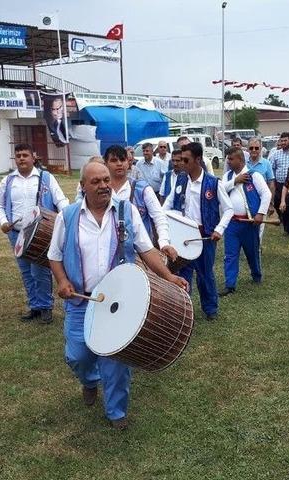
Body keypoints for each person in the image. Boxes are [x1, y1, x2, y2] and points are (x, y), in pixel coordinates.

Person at [48, 161, 188, 430]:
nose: (103, 186)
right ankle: (89, 380)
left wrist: (168, 277)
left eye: (106, 180)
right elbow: (54, 256)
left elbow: (146, 249)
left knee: (116, 359)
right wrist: (63, 280)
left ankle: (116, 411)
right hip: (81, 300)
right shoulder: (67, 216)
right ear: (82, 186)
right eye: (96, 182)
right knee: (77, 355)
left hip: (120, 300)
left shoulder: (127, 210)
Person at [0, 144, 69, 324]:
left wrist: (65, 220)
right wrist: (3, 222)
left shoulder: (46, 178)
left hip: (40, 233)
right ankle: (35, 306)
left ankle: (45, 307)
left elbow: (61, 200)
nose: (21, 158)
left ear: (33, 158)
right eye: (18, 155)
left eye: (25, 155)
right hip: (17, 234)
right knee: (26, 271)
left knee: (40, 271)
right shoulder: (8, 181)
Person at [163, 142, 233, 321]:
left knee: (205, 274)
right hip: (182, 235)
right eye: (180, 160)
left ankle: (210, 309)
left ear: (198, 160)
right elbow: (168, 205)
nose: (182, 164)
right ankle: (184, 311)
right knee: (181, 273)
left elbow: (229, 209)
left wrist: (219, 230)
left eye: (186, 160)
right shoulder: (180, 180)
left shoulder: (212, 183)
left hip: (204, 236)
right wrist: (165, 221)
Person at [102, 145, 177, 260]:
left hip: (141, 254)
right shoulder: (101, 191)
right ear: (105, 164)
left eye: (122, 160)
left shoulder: (142, 189)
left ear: (128, 163)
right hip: (108, 254)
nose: (119, 164)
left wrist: (163, 242)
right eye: (114, 160)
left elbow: (159, 217)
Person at [220, 146, 271, 295]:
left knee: (252, 253)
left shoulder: (254, 175)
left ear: (240, 160)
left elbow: (266, 194)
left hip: (250, 223)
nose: (228, 162)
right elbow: (222, 191)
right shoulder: (228, 176)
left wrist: (260, 213)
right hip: (232, 223)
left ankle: (256, 275)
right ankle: (230, 284)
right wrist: (235, 181)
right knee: (230, 254)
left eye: (231, 159)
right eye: (227, 158)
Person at [269, 132, 289, 231]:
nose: (283, 143)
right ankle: (284, 221)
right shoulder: (276, 154)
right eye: (282, 141)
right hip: (280, 184)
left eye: (285, 140)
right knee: (278, 203)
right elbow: (272, 168)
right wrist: (273, 181)